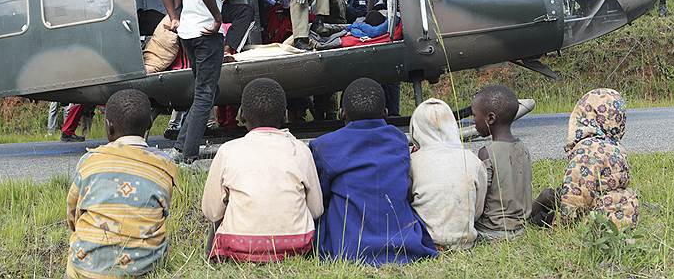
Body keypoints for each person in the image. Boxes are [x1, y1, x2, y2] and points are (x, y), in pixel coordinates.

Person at [309, 77, 437, 265]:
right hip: (403, 241)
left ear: (342, 113)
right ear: (385, 113)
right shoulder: (398, 139)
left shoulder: (324, 146)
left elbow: (321, 198)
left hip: (349, 245)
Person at [202, 78, 323, 262]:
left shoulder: (228, 150)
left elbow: (211, 211)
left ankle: (212, 258)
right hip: (296, 246)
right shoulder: (300, 150)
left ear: (241, 115)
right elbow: (316, 210)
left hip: (237, 245)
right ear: (284, 115)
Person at [65, 89, 177, 279]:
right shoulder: (165, 165)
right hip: (143, 269)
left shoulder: (89, 161)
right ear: (149, 124)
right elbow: (163, 211)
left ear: (108, 127)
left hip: (86, 269)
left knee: (73, 263)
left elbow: (72, 212)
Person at [158, 0, 238, 165]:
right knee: (205, 94)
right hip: (206, 35)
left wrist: (173, 17)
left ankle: (182, 144)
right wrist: (217, 18)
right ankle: (187, 155)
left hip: (187, 36)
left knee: (210, 91)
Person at [530, 88, 640, 230]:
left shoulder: (587, 152)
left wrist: (555, 222)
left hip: (598, 221)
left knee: (540, 218)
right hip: (625, 214)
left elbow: (574, 199)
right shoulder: (616, 149)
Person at [410, 98, 488, 249]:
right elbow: (478, 209)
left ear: (416, 128)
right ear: (452, 125)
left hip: (425, 241)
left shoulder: (412, 161)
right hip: (465, 243)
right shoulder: (472, 160)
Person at [471, 85, 532, 241]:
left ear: (490, 118)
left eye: (474, 115)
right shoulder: (522, 147)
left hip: (492, 229)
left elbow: (480, 199)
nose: (473, 121)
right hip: (520, 226)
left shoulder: (487, 152)